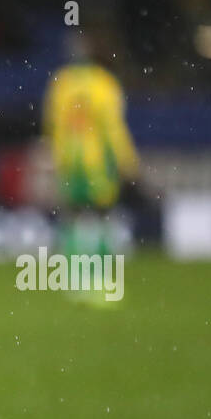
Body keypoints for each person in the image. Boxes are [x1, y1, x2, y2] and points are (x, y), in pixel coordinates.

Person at [42, 36, 138, 299]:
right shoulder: (104, 83)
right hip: (96, 163)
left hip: (70, 162)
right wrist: (128, 162)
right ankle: (101, 281)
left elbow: (52, 125)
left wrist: (57, 158)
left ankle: (74, 281)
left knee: (73, 219)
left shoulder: (60, 83)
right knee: (102, 218)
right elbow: (113, 128)